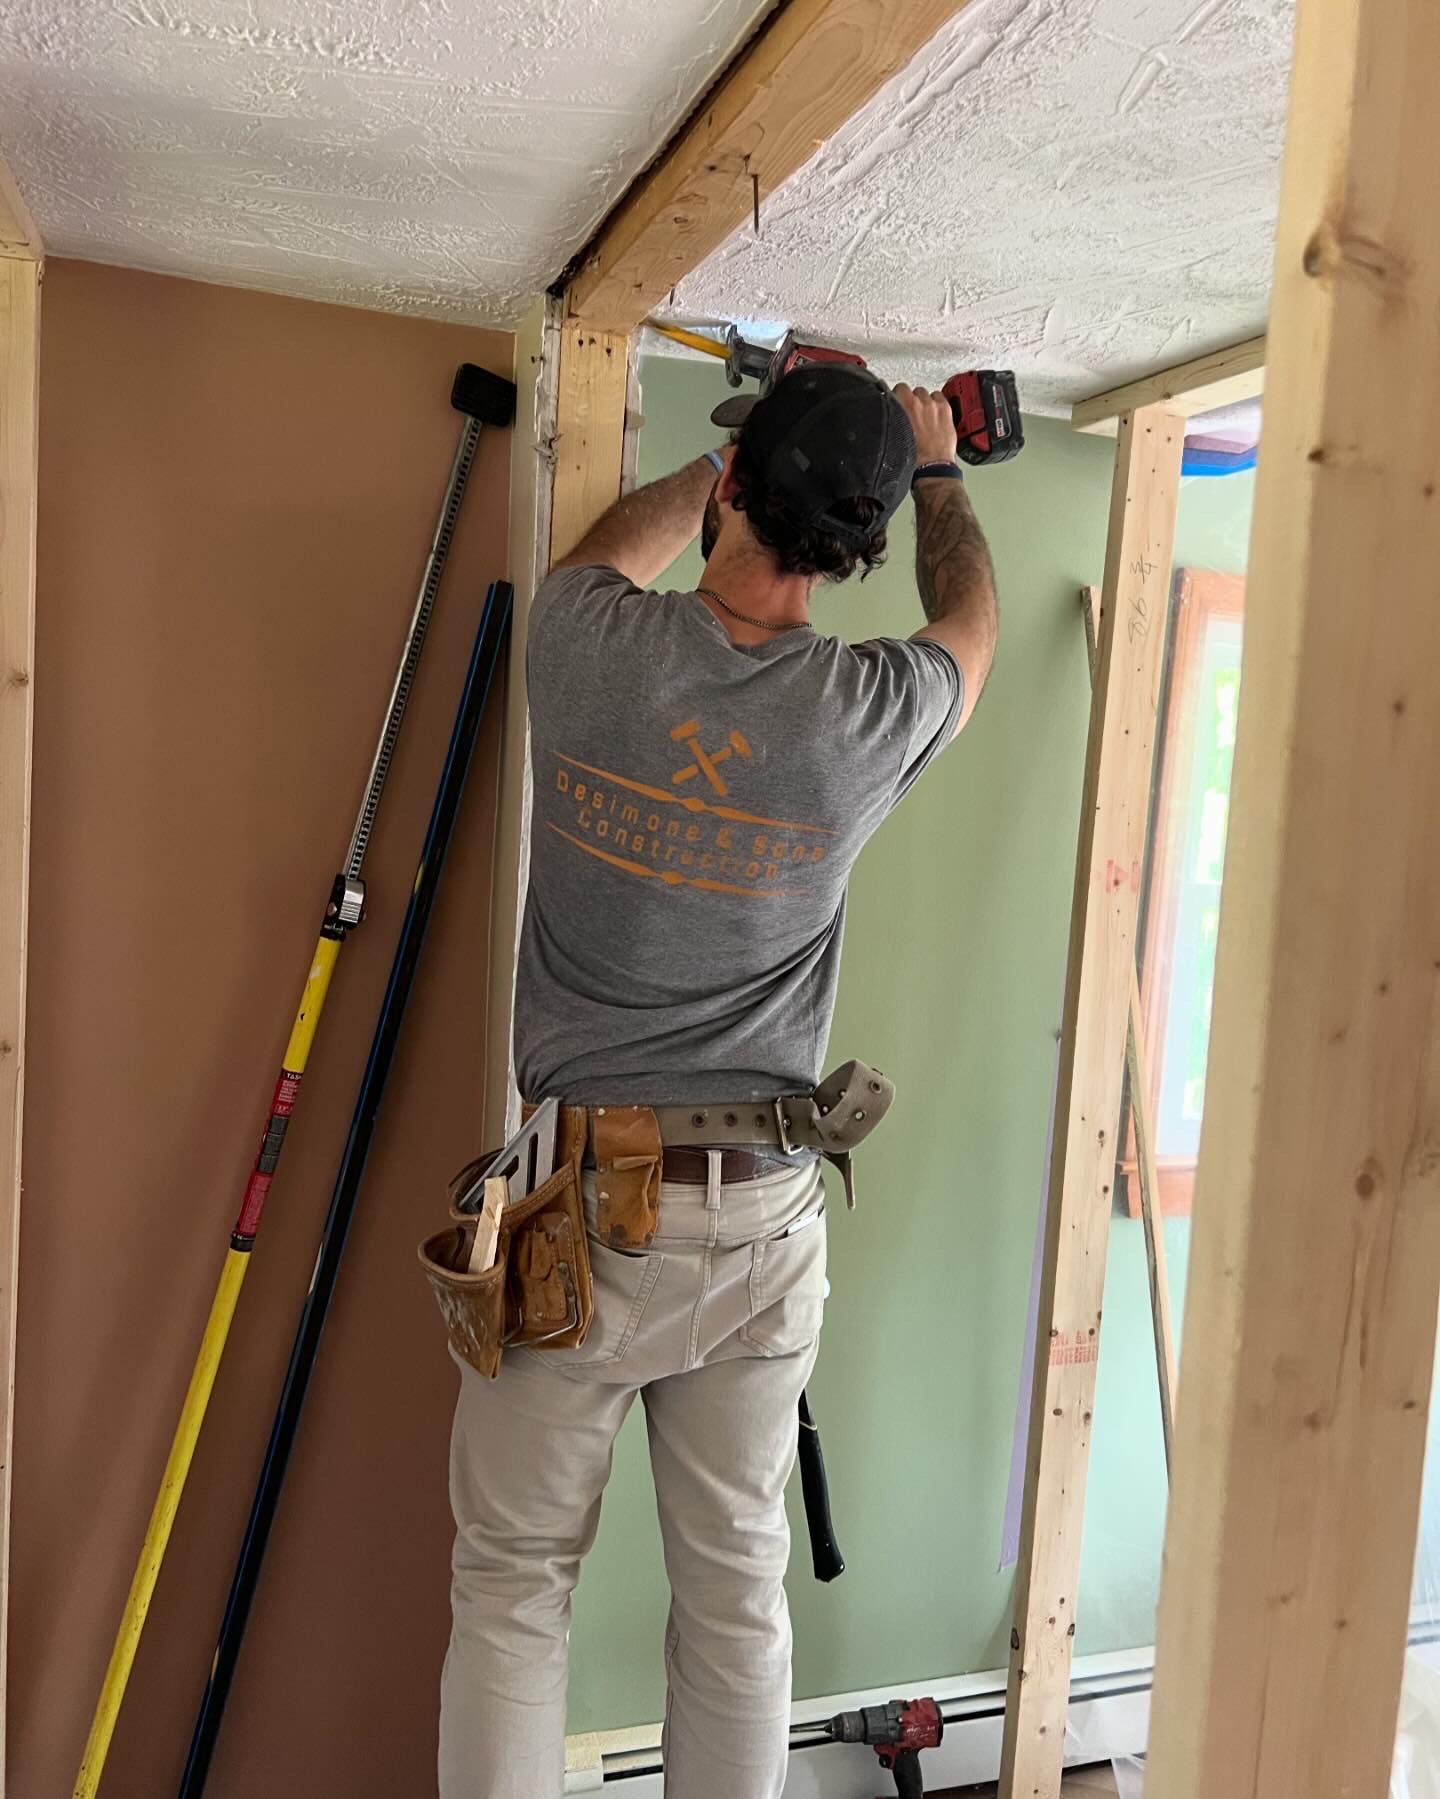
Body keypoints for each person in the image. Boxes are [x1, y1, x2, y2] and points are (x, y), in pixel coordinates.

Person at [439, 365, 998, 1799]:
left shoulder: (584, 643)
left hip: (577, 1206)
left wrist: (719, 454)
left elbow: (616, 546)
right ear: (855, 547)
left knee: (513, 1585)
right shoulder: (867, 712)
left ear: (739, 491)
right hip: (759, 1212)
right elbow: (970, 626)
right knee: (739, 1593)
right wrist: (938, 475)